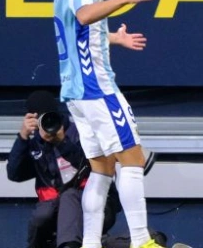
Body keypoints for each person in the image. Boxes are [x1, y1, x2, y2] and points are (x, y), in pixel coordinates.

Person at [53, 0, 160, 248]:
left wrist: (113, 38)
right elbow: (85, 16)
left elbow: (79, 32)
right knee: (132, 159)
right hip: (97, 88)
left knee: (101, 170)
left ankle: (90, 243)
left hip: (76, 93)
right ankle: (143, 242)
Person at [7, 90, 121, 248]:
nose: (48, 124)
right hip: (55, 210)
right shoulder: (36, 145)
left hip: (96, 205)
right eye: (41, 119)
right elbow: (14, 174)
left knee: (69, 196)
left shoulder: (80, 134)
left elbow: (91, 166)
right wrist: (23, 137)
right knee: (42, 214)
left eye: (50, 117)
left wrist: (62, 143)